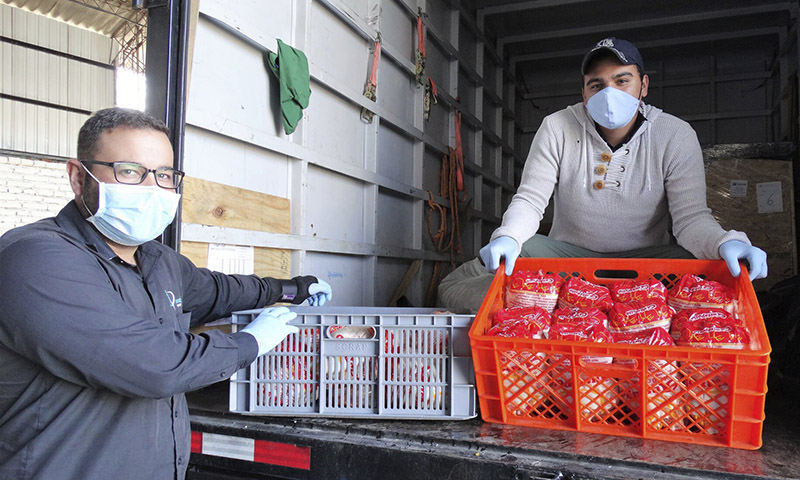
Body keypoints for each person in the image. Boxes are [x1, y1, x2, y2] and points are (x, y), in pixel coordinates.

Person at [0, 107, 332, 479]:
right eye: (129, 171)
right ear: (79, 177)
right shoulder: (36, 259)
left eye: (164, 175)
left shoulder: (158, 261)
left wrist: (292, 289)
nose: (152, 190)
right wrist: (250, 342)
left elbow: (220, 291)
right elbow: (154, 365)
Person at [439, 37, 767, 313]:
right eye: (596, 84)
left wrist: (728, 242)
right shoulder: (557, 126)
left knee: (706, 268)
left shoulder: (674, 134)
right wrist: (508, 236)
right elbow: (531, 200)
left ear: (644, 85)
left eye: (622, 80)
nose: (609, 93)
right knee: (463, 280)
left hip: (645, 266)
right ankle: (598, 305)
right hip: (569, 258)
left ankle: (557, 305)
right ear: (584, 93)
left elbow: (690, 219)